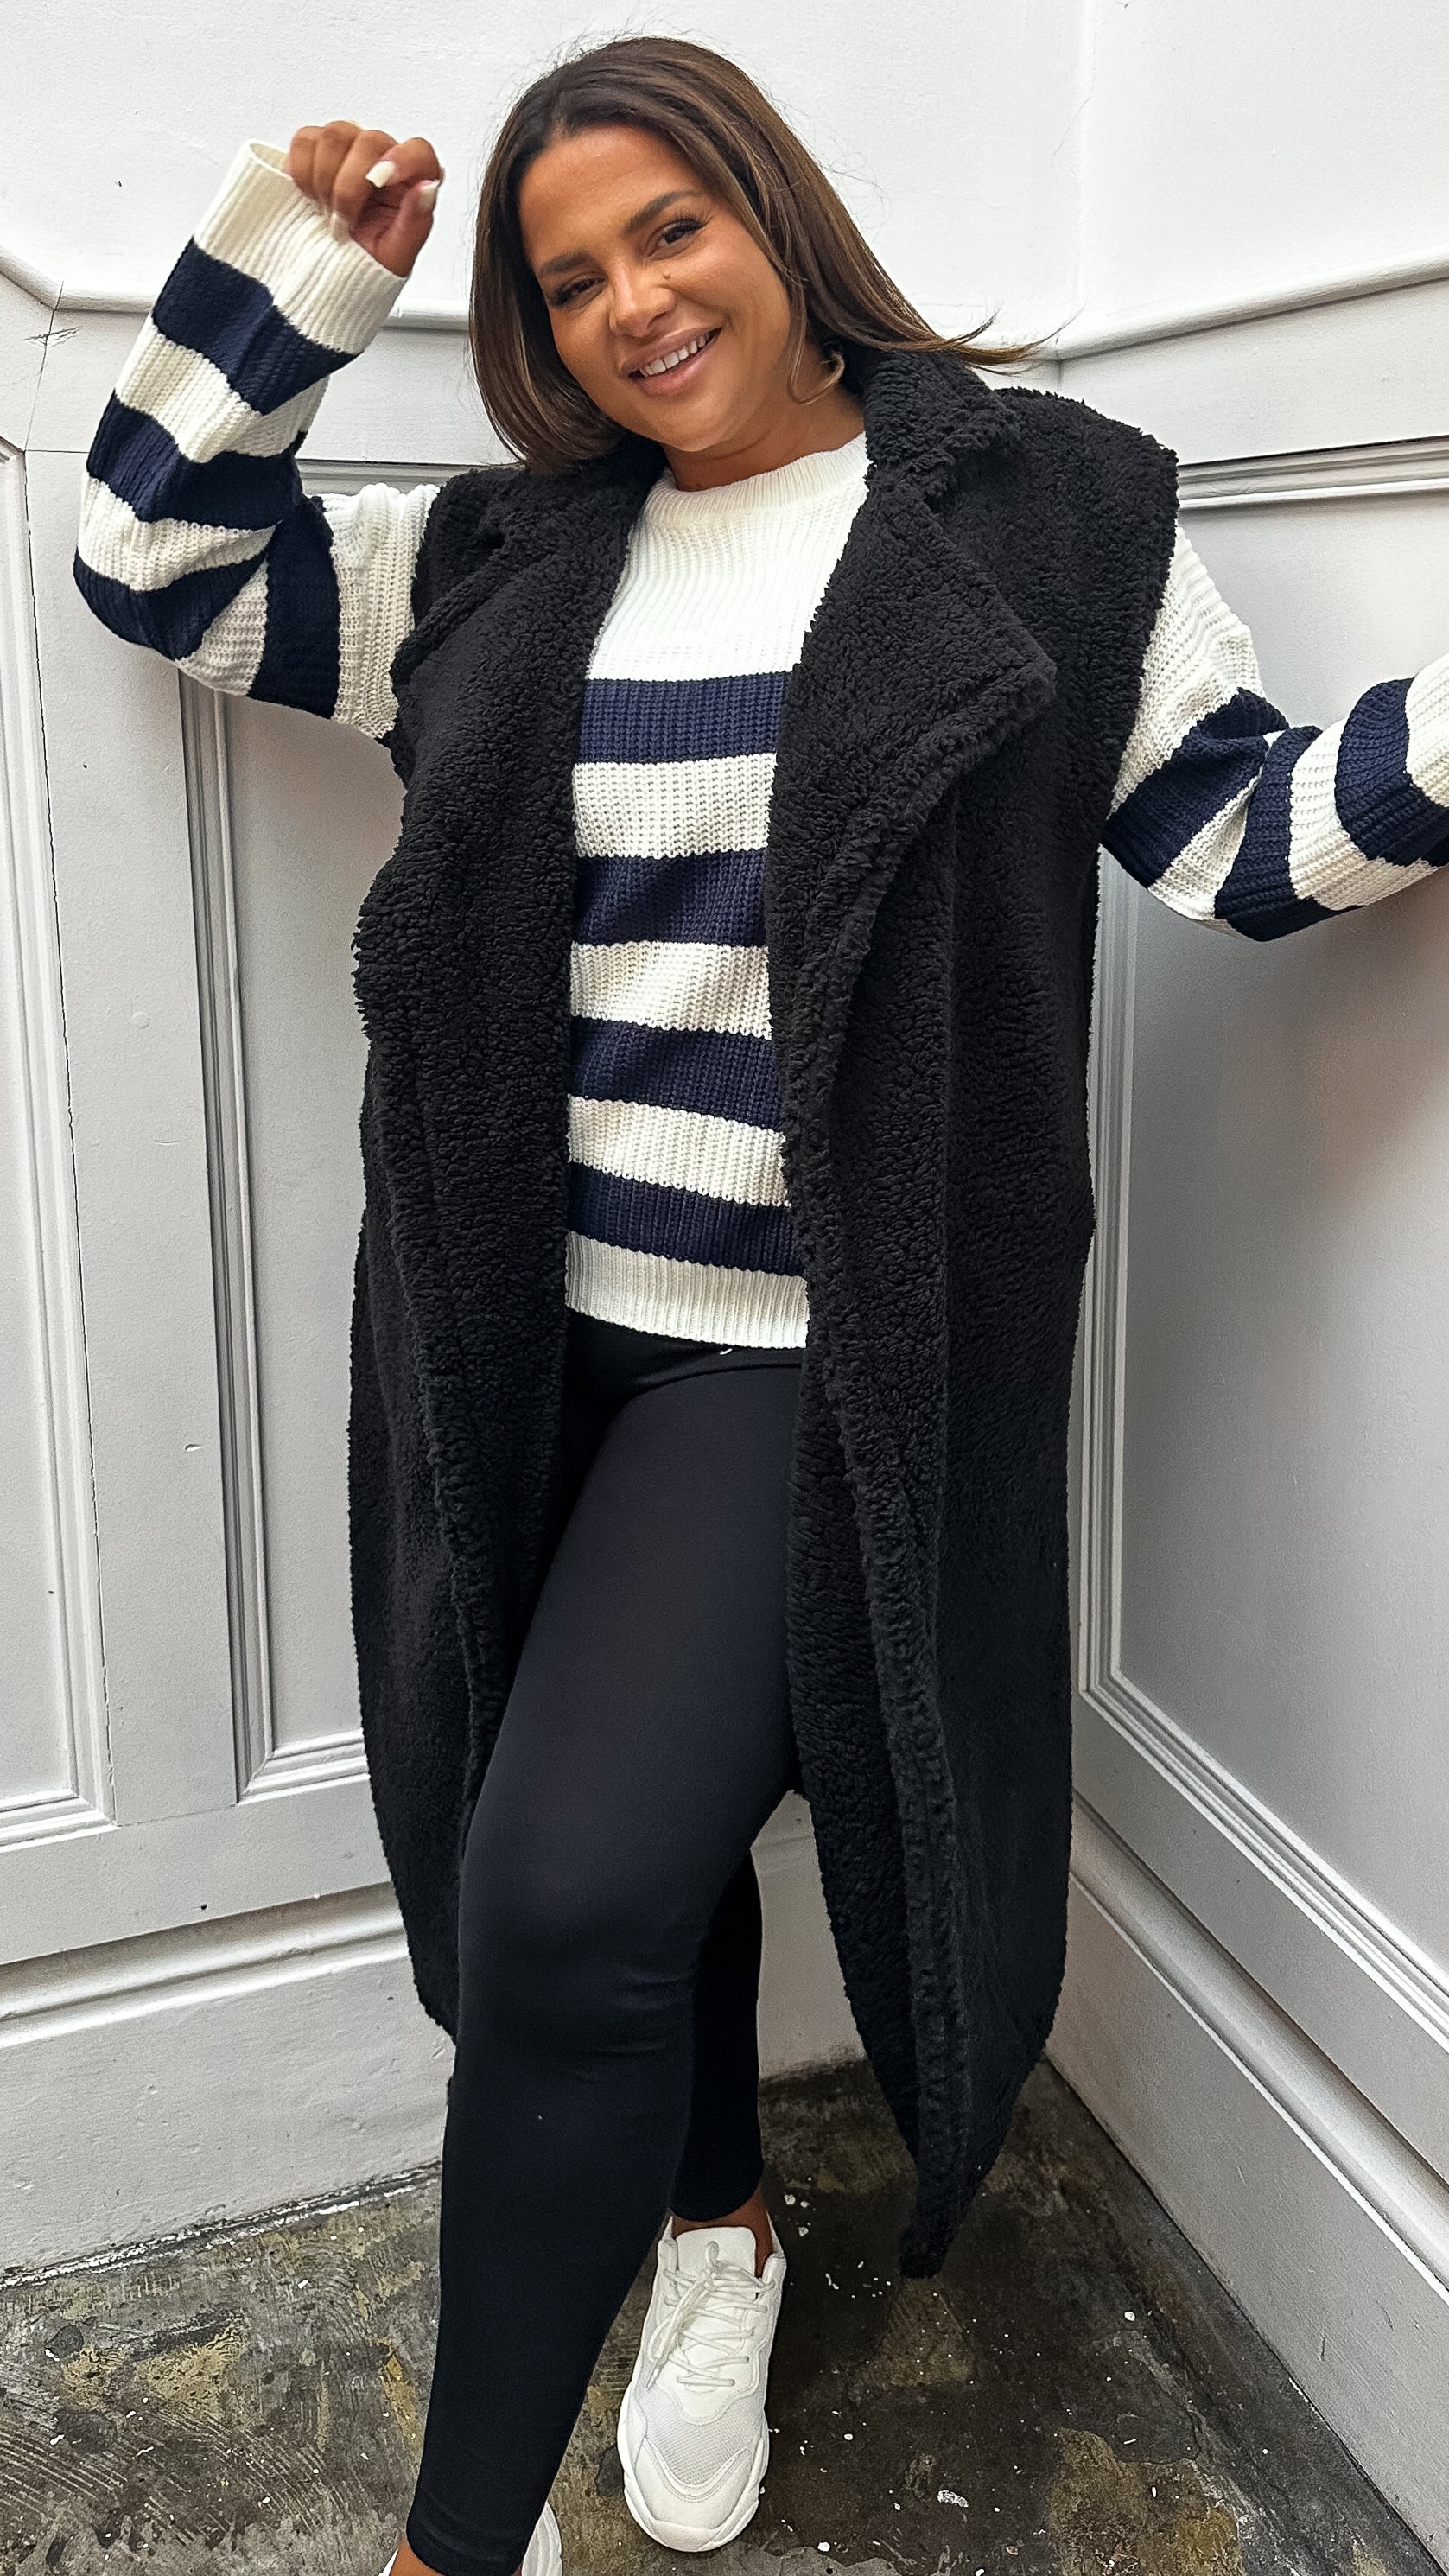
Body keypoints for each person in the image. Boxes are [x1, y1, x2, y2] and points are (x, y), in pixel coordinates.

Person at [73, 35, 1449, 2576]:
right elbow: (155, 565)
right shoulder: (497, 559)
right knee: (599, 1850)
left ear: (775, 216)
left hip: (799, 1350)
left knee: (562, 1900)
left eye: (670, 230)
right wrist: (300, 267)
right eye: (568, 278)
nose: (633, 303)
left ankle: (447, 2542)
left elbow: (1246, 844)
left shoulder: (1043, 520)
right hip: (506, 1326)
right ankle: (714, 2219)